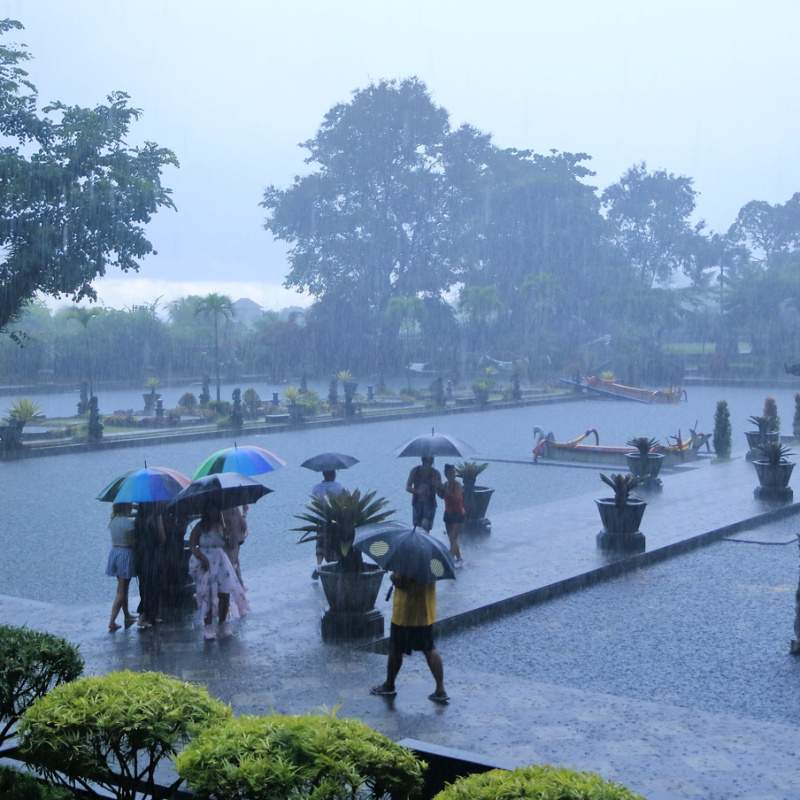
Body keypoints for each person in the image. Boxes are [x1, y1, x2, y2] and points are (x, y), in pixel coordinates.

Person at [370, 572, 448, 703]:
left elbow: (403, 583)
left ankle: (389, 684)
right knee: (429, 648)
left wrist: (394, 578)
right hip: (424, 612)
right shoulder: (430, 558)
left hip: (405, 612)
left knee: (396, 649)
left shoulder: (406, 558)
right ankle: (440, 689)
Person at [188, 503, 250, 640]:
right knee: (207, 594)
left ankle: (222, 623)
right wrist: (200, 556)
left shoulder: (221, 525)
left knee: (224, 592)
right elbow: (192, 544)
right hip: (205, 562)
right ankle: (208, 625)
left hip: (221, 561)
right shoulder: (200, 527)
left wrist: (227, 535)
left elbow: (233, 541)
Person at [133, 501, 167, 628]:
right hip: (154, 554)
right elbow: (162, 537)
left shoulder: (138, 519)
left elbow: (135, 539)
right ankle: (146, 616)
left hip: (141, 554)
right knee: (154, 584)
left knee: (144, 585)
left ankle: (147, 615)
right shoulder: (156, 517)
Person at [106, 502, 138, 631]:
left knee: (123, 586)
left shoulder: (113, 521)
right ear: (126, 508)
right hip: (126, 554)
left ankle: (126, 615)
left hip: (115, 553)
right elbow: (132, 542)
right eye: (130, 507)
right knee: (121, 589)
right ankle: (112, 621)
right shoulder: (128, 523)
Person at [310, 470, 346, 579]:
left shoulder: (316, 488)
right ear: (334, 475)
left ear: (323, 475)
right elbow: (345, 502)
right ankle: (340, 564)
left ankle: (318, 566)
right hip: (336, 520)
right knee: (338, 542)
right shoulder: (339, 486)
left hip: (321, 519)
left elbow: (315, 502)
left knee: (321, 542)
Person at [405, 455, 442, 532]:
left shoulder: (436, 473)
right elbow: (408, 487)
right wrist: (418, 491)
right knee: (416, 529)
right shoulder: (415, 471)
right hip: (417, 504)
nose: (431, 462)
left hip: (430, 505)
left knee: (426, 530)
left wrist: (437, 486)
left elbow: (440, 494)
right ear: (423, 460)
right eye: (429, 460)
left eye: (432, 460)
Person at [440, 463, 465, 567]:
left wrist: (445, 490)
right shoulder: (445, 484)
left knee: (453, 539)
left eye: (453, 473)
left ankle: (449, 559)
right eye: (450, 473)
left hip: (458, 513)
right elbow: (441, 496)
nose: (452, 475)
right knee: (451, 539)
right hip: (448, 513)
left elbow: (455, 498)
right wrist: (438, 487)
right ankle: (459, 558)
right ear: (446, 474)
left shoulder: (458, 484)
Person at [222, 504, 249, 586]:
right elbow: (244, 529)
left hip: (225, 546)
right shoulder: (234, 509)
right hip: (234, 544)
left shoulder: (220, 512)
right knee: (234, 568)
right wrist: (244, 513)